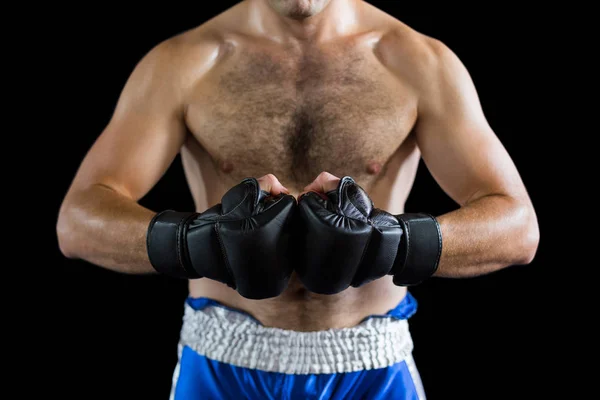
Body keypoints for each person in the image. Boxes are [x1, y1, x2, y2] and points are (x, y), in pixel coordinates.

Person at [56, 0, 540, 398]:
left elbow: (518, 228)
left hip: (372, 368)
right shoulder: (184, 62)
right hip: (221, 365)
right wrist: (192, 241)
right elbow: (78, 221)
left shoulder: (416, 62)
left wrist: (392, 243)